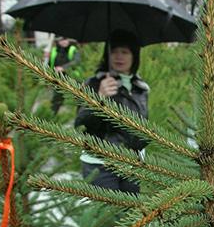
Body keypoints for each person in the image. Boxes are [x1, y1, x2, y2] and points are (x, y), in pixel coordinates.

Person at [74, 30, 149, 193]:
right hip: (100, 165)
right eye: (114, 51)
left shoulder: (140, 87)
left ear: (134, 56)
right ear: (107, 55)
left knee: (132, 216)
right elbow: (80, 123)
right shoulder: (93, 83)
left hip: (132, 165)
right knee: (106, 216)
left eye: (125, 52)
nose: (119, 57)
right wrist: (99, 98)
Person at [50, 36, 81, 114]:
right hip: (58, 78)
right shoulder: (54, 50)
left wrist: (64, 67)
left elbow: (76, 61)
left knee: (79, 98)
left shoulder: (73, 49)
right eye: (61, 39)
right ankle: (52, 117)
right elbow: (50, 63)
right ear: (58, 41)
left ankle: (80, 117)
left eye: (65, 39)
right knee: (57, 98)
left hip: (72, 77)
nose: (64, 41)